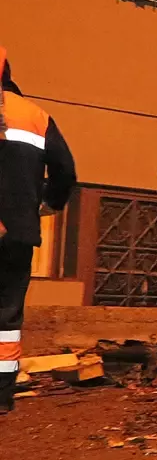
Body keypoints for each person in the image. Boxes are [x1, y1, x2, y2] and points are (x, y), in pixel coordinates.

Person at [0, 46, 76, 414]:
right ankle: (1, 395)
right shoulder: (34, 116)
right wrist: (50, 203)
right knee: (6, 318)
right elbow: (65, 171)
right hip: (14, 234)